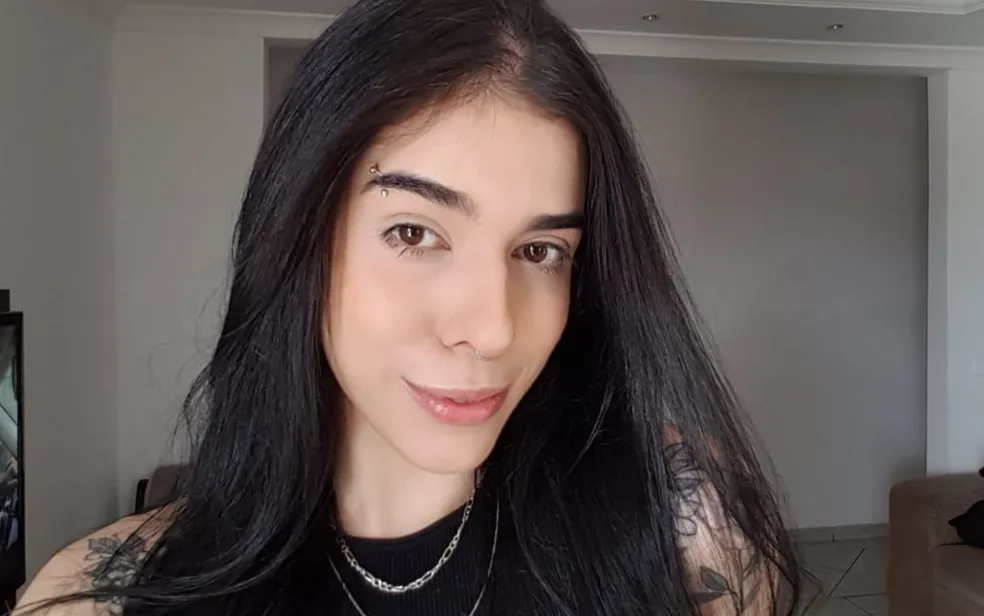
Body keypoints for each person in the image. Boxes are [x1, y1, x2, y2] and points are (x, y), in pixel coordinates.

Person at [16, 0, 803, 614]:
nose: (491, 329)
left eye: (540, 251)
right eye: (415, 233)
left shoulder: (692, 529)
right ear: (299, 239)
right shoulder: (101, 597)